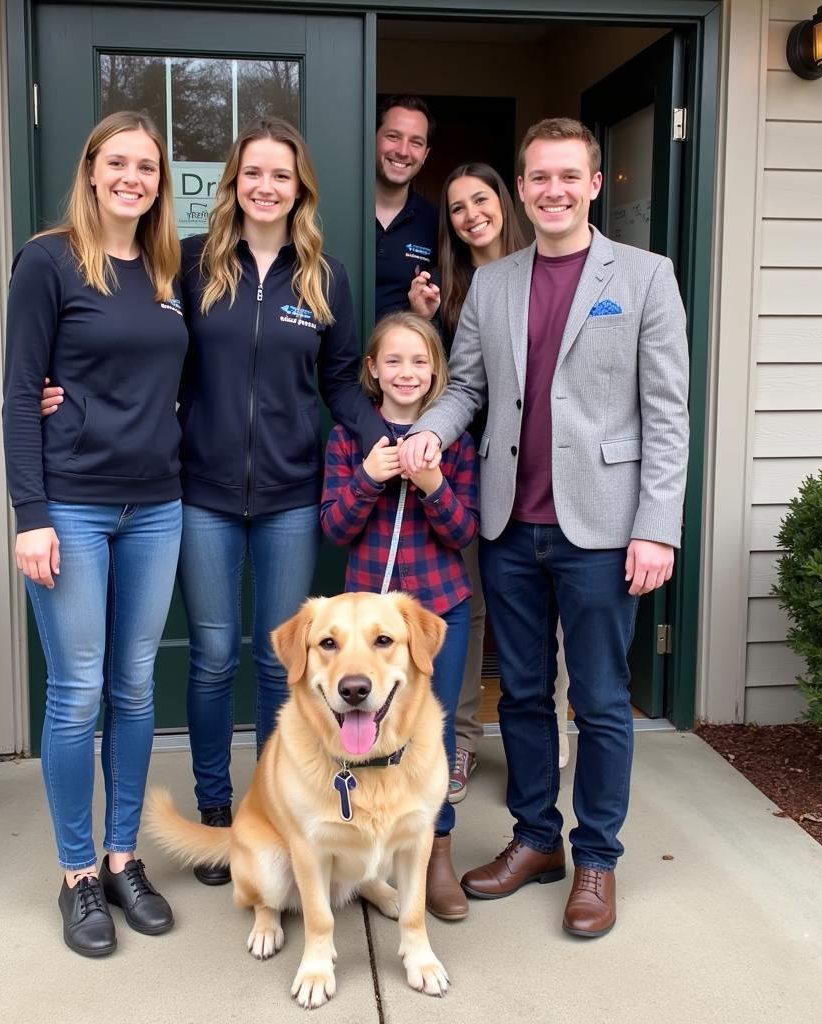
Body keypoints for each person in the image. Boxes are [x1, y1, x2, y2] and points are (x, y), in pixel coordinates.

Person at [399, 117, 690, 938]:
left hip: (603, 527)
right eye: (540, 177)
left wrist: (657, 528)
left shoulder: (644, 275)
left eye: (570, 176)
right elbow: (466, 390)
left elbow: (668, 415)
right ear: (522, 189)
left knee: (598, 700)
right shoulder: (494, 285)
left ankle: (596, 857)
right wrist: (433, 429)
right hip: (508, 526)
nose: (554, 190)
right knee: (521, 693)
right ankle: (536, 840)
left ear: (594, 183)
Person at [176, 118, 382, 884]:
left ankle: (280, 805)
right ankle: (215, 809)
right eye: (254, 172)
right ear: (235, 181)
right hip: (203, 492)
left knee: (280, 663)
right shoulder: (193, 264)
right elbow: (150, 358)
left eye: (282, 176)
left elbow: (337, 383)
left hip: (295, 494)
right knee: (212, 657)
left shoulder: (324, 277)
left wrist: (380, 435)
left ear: (301, 190)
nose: (267, 187)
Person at [3, 111, 186, 956]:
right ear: (90, 169)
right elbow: (17, 394)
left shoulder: (164, 267)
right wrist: (30, 514)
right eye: (118, 162)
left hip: (157, 505)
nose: (132, 178)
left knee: (136, 689)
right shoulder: (47, 261)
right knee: (77, 693)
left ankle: (123, 858)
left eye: (146, 166)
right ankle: (78, 876)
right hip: (72, 505)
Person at [320, 310, 478, 921]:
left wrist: (435, 483)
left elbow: (466, 528)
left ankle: (435, 855)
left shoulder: (454, 439)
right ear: (372, 371)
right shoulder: (347, 439)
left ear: (436, 370)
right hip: (370, 623)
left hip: (440, 610)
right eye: (393, 361)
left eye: (419, 361)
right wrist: (366, 479)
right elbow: (333, 528)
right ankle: (359, 850)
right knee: (367, 733)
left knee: (429, 736)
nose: (406, 372)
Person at [408, 163, 526, 803]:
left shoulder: (539, 268)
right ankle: (461, 741)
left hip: (528, 467)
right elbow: (439, 377)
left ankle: (544, 736)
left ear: (505, 201)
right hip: (460, 465)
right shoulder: (454, 286)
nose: (472, 214)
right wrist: (423, 317)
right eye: (457, 207)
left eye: (482, 199)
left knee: (536, 611)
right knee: (471, 607)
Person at [375, 95, 440, 320]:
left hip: (398, 354)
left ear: (425, 155)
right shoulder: (336, 209)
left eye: (416, 142)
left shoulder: (436, 223)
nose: (403, 151)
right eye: (393, 136)